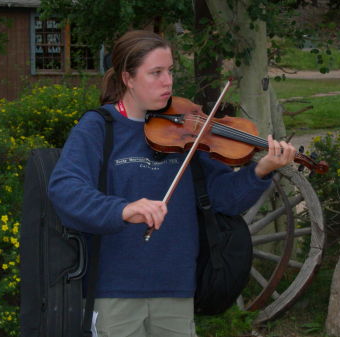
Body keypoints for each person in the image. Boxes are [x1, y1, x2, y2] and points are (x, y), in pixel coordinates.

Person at [48, 30, 296, 337]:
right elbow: (65, 189)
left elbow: (224, 201)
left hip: (176, 287)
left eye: (170, 71)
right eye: (156, 73)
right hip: (114, 290)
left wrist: (261, 170)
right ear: (128, 78)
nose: (168, 81)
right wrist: (123, 209)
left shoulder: (188, 132)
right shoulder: (99, 127)